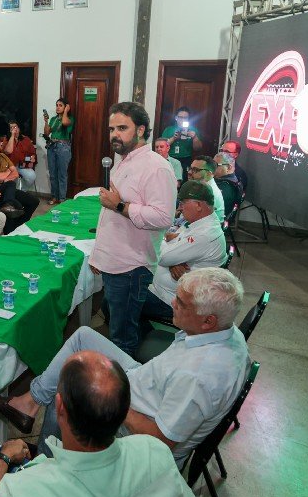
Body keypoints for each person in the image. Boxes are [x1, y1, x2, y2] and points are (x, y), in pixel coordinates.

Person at [0, 268, 249, 471]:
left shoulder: (198, 376)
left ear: (208, 321)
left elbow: (160, 442)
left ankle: (47, 468)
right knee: (83, 337)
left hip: (138, 426)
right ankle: (31, 402)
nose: (172, 303)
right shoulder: (226, 332)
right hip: (146, 383)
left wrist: (112, 401)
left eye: (182, 303)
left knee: (69, 390)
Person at [0, 352, 204, 497]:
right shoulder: (155, 455)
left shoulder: (22, 495)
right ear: (125, 411)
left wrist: (5, 456)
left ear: (59, 408)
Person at [90, 101, 177, 356]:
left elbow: (163, 217)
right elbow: (110, 216)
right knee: (123, 323)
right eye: (111, 129)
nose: (114, 135)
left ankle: (126, 378)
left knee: (122, 338)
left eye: (122, 128)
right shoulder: (123, 161)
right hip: (116, 260)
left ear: (140, 130)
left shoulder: (156, 167)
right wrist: (100, 255)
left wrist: (120, 206)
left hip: (131, 267)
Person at [144, 181, 228, 322]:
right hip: (166, 291)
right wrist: (172, 261)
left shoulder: (204, 234)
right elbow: (170, 245)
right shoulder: (199, 223)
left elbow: (163, 256)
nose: (180, 208)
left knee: (119, 298)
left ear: (199, 205)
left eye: (183, 203)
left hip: (172, 301)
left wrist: (167, 249)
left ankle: (135, 335)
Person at [0, 135, 38, 224]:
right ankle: (8, 208)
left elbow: (15, 173)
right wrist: (9, 171)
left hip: (8, 189)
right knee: (16, 203)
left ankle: (18, 225)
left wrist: (5, 179)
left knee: (34, 201)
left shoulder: (3, 156)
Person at [43, 98, 73, 204]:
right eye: (57, 105)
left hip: (63, 147)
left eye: (60, 105)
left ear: (66, 107)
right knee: (52, 174)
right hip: (52, 146)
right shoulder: (53, 119)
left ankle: (62, 199)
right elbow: (47, 133)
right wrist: (46, 121)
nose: (57, 107)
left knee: (62, 174)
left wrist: (66, 112)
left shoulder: (70, 119)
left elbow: (64, 122)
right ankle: (54, 197)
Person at [160, 107, 203, 177]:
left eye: (185, 118)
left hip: (186, 159)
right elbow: (162, 147)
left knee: (184, 180)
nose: (183, 120)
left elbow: (198, 148)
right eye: (180, 117)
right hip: (170, 158)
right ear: (176, 118)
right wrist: (174, 138)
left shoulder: (193, 130)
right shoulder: (168, 129)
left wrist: (194, 137)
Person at [188, 156, 225, 225]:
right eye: (190, 168)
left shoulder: (207, 192)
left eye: (195, 170)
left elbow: (192, 218)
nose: (189, 172)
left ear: (209, 174)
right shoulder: (202, 186)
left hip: (204, 228)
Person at [4, 120, 37, 190]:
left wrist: (32, 158)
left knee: (32, 176)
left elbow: (32, 153)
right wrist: (12, 136)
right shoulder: (6, 139)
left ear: (19, 128)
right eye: (11, 128)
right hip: (10, 166)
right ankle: (14, 192)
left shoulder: (26, 139)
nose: (13, 129)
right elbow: (8, 151)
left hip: (23, 165)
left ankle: (23, 191)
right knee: (11, 181)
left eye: (15, 127)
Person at [213, 151, 243, 219]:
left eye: (216, 165)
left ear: (229, 167)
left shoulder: (226, 187)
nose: (212, 167)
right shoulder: (234, 181)